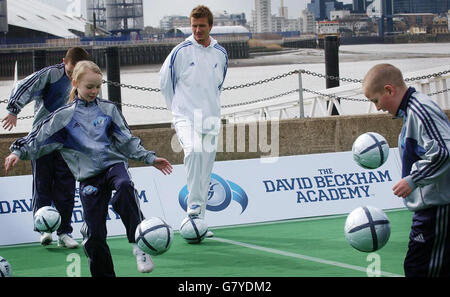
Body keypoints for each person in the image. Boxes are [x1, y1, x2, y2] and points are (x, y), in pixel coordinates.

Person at [4, 60, 173, 277]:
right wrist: (17, 151)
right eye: (89, 86)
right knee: (94, 236)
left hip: (113, 165)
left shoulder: (109, 109)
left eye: (97, 86)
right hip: (88, 178)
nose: (94, 91)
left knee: (124, 187)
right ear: (75, 83)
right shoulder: (63, 116)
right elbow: (38, 136)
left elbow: (127, 140)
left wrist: (150, 158)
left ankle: (139, 245)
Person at [363, 63, 450, 277]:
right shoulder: (412, 110)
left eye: (376, 100)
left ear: (389, 90)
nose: (377, 108)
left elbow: (444, 152)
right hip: (430, 208)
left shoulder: (420, 111)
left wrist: (413, 179)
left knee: (419, 270)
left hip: (437, 209)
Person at [2, 47, 90, 249]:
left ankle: (65, 231)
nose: (72, 76)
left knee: (66, 188)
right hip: (43, 139)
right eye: (70, 72)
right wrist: (13, 110)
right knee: (42, 184)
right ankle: (44, 228)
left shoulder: (87, 79)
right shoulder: (51, 74)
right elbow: (25, 86)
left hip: (69, 142)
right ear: (63, 62)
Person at [159, 5, 228, 236]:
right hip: (185, 116)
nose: (198, 30)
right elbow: (165, 82)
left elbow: (218, 85)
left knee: (206, 168)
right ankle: (193, 208)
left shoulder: (221, 52)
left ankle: (200, 222)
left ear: (210, 26)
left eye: (202, 26)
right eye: (194, 26)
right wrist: (176, 110)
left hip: (210, 118)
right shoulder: (181, 51)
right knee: (193, 151)